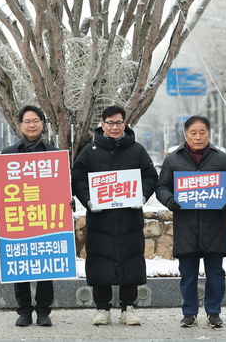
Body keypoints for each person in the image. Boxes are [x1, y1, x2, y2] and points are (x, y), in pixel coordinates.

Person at [71, 105, 158, 326]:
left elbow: (150, 176)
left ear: (125, 124)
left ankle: (128, 308)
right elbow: (78, 178)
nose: (115, 127)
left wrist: (143, 195)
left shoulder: (137, 150)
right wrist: (88, 200)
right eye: (110, 123)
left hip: (129, 218)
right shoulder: (89, 151)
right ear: (102, 124)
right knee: (100, 262)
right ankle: (102, 308)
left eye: (119, 122)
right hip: (101, 220)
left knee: (130, 261)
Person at [156, 115, 226, 329]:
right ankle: (189, 313)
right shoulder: (173, 159)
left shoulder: (221, 159)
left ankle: (214, 313)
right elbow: (161, 187)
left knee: (216, 274)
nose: (198, 137)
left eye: (202, 132)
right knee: (188, 274)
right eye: (193, 133)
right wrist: (170, 200)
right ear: (186, 135)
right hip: (186, 226)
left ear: (209, 134)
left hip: (214, 226)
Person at [0, 105, 58, 327]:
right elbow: (0, 187)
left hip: (45, 216)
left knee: (46, 264)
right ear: (20, 125)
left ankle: (43, 310)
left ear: (42, 124)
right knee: (20, 264)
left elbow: (62, 187)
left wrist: (66, 202)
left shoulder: (53, 154)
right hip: (18, 217)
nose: (31, 125)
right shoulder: (8, 154)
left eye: (35, 121)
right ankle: (24, 311)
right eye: (27, 121)